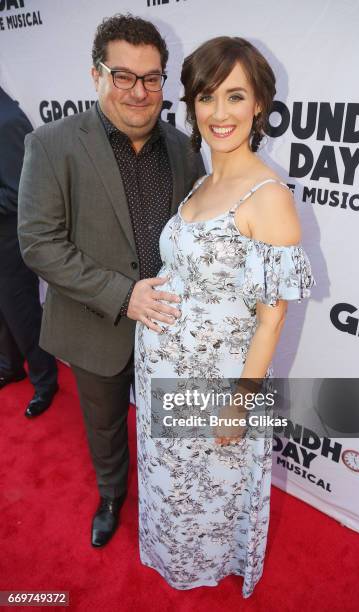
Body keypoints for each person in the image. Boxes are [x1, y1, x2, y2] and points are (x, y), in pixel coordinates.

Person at [134, 37, 315, 598]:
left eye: (235, 97)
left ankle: (200, 568)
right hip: (161, 372)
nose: (219, 113)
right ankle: (169, 554)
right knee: (172, 485)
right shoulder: (203, 182)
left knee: (208, 489)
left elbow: (271, 320)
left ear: (258, 104)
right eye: (206, 97)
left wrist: (239, 402)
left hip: (216, 385)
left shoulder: (268, 197)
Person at [18, 14, 205, 548]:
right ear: (96, 75)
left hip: (168, 330)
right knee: (104, 429)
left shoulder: (183, 147)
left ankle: (167, 498)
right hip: (93, 325)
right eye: (123, 75)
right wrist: (124, 295)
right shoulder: (52, 143)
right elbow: (40, 243)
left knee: (167, 427)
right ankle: (110, 495)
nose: (139, 91)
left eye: (151, 77)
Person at [0, 86, 58, 416]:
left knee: (22, 315)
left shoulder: (7, 121)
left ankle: (45, 382)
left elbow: (21, 193)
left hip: (9, 244)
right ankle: (10, 365)